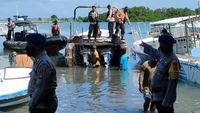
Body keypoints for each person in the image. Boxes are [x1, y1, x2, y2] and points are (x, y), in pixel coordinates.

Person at [140, 34, 180, 113]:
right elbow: (155, 52)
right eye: (160, 45)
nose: (161, 47)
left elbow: (173, 83)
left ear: (169, 46)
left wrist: (166, 102)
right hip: (158, 97)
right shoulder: (164, 56)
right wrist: (146, 46)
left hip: (165, 100)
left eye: (162, 45)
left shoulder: (173, 61)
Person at [26, 33, 58, 113]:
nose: (27, 47)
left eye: (29, 45)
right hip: (40, 104)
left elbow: (40, 88)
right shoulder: (38, 61)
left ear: (38, 46)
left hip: (43, 106)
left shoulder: (43, 63)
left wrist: (32, 104)